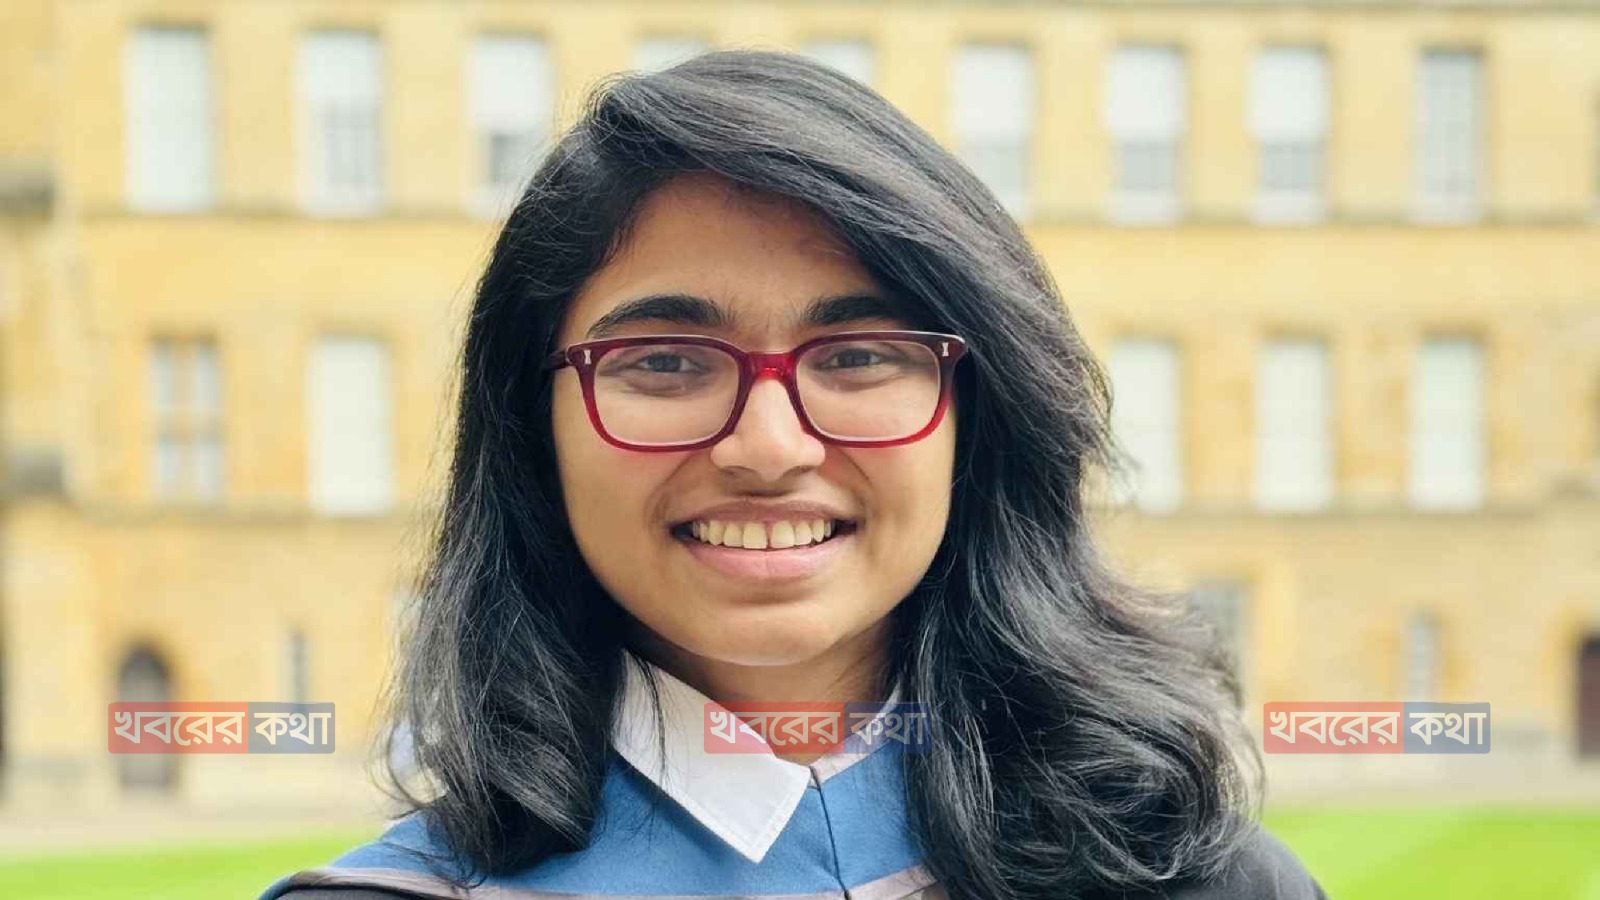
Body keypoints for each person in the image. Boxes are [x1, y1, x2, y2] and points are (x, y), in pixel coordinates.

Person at [258, 50, 1327, 900]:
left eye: (858, 355)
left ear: (977, 421)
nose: (768, 448)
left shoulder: (1201, 879)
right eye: (663, 362)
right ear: (532, 429)